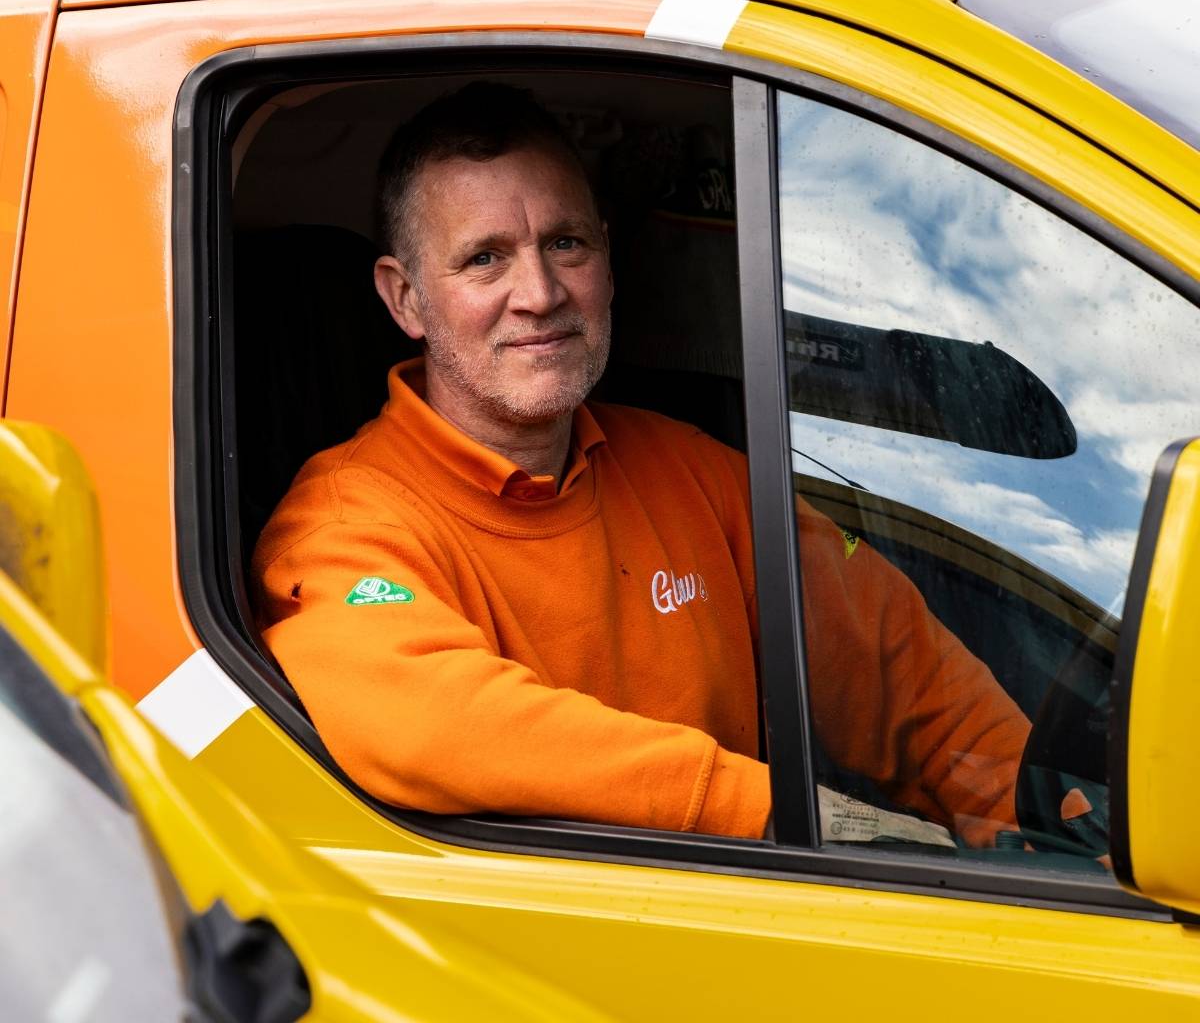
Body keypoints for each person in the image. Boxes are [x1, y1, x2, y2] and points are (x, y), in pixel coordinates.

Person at [251, 82, 1030, 845]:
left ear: (608, 261)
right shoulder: (344, 524)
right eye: (485, 259)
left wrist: (1041, 821)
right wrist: (769, 812)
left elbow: (907, 677)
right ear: (406, 300)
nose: (541, 293)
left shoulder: (695, 472)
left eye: (565, 243)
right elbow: (426, 723)